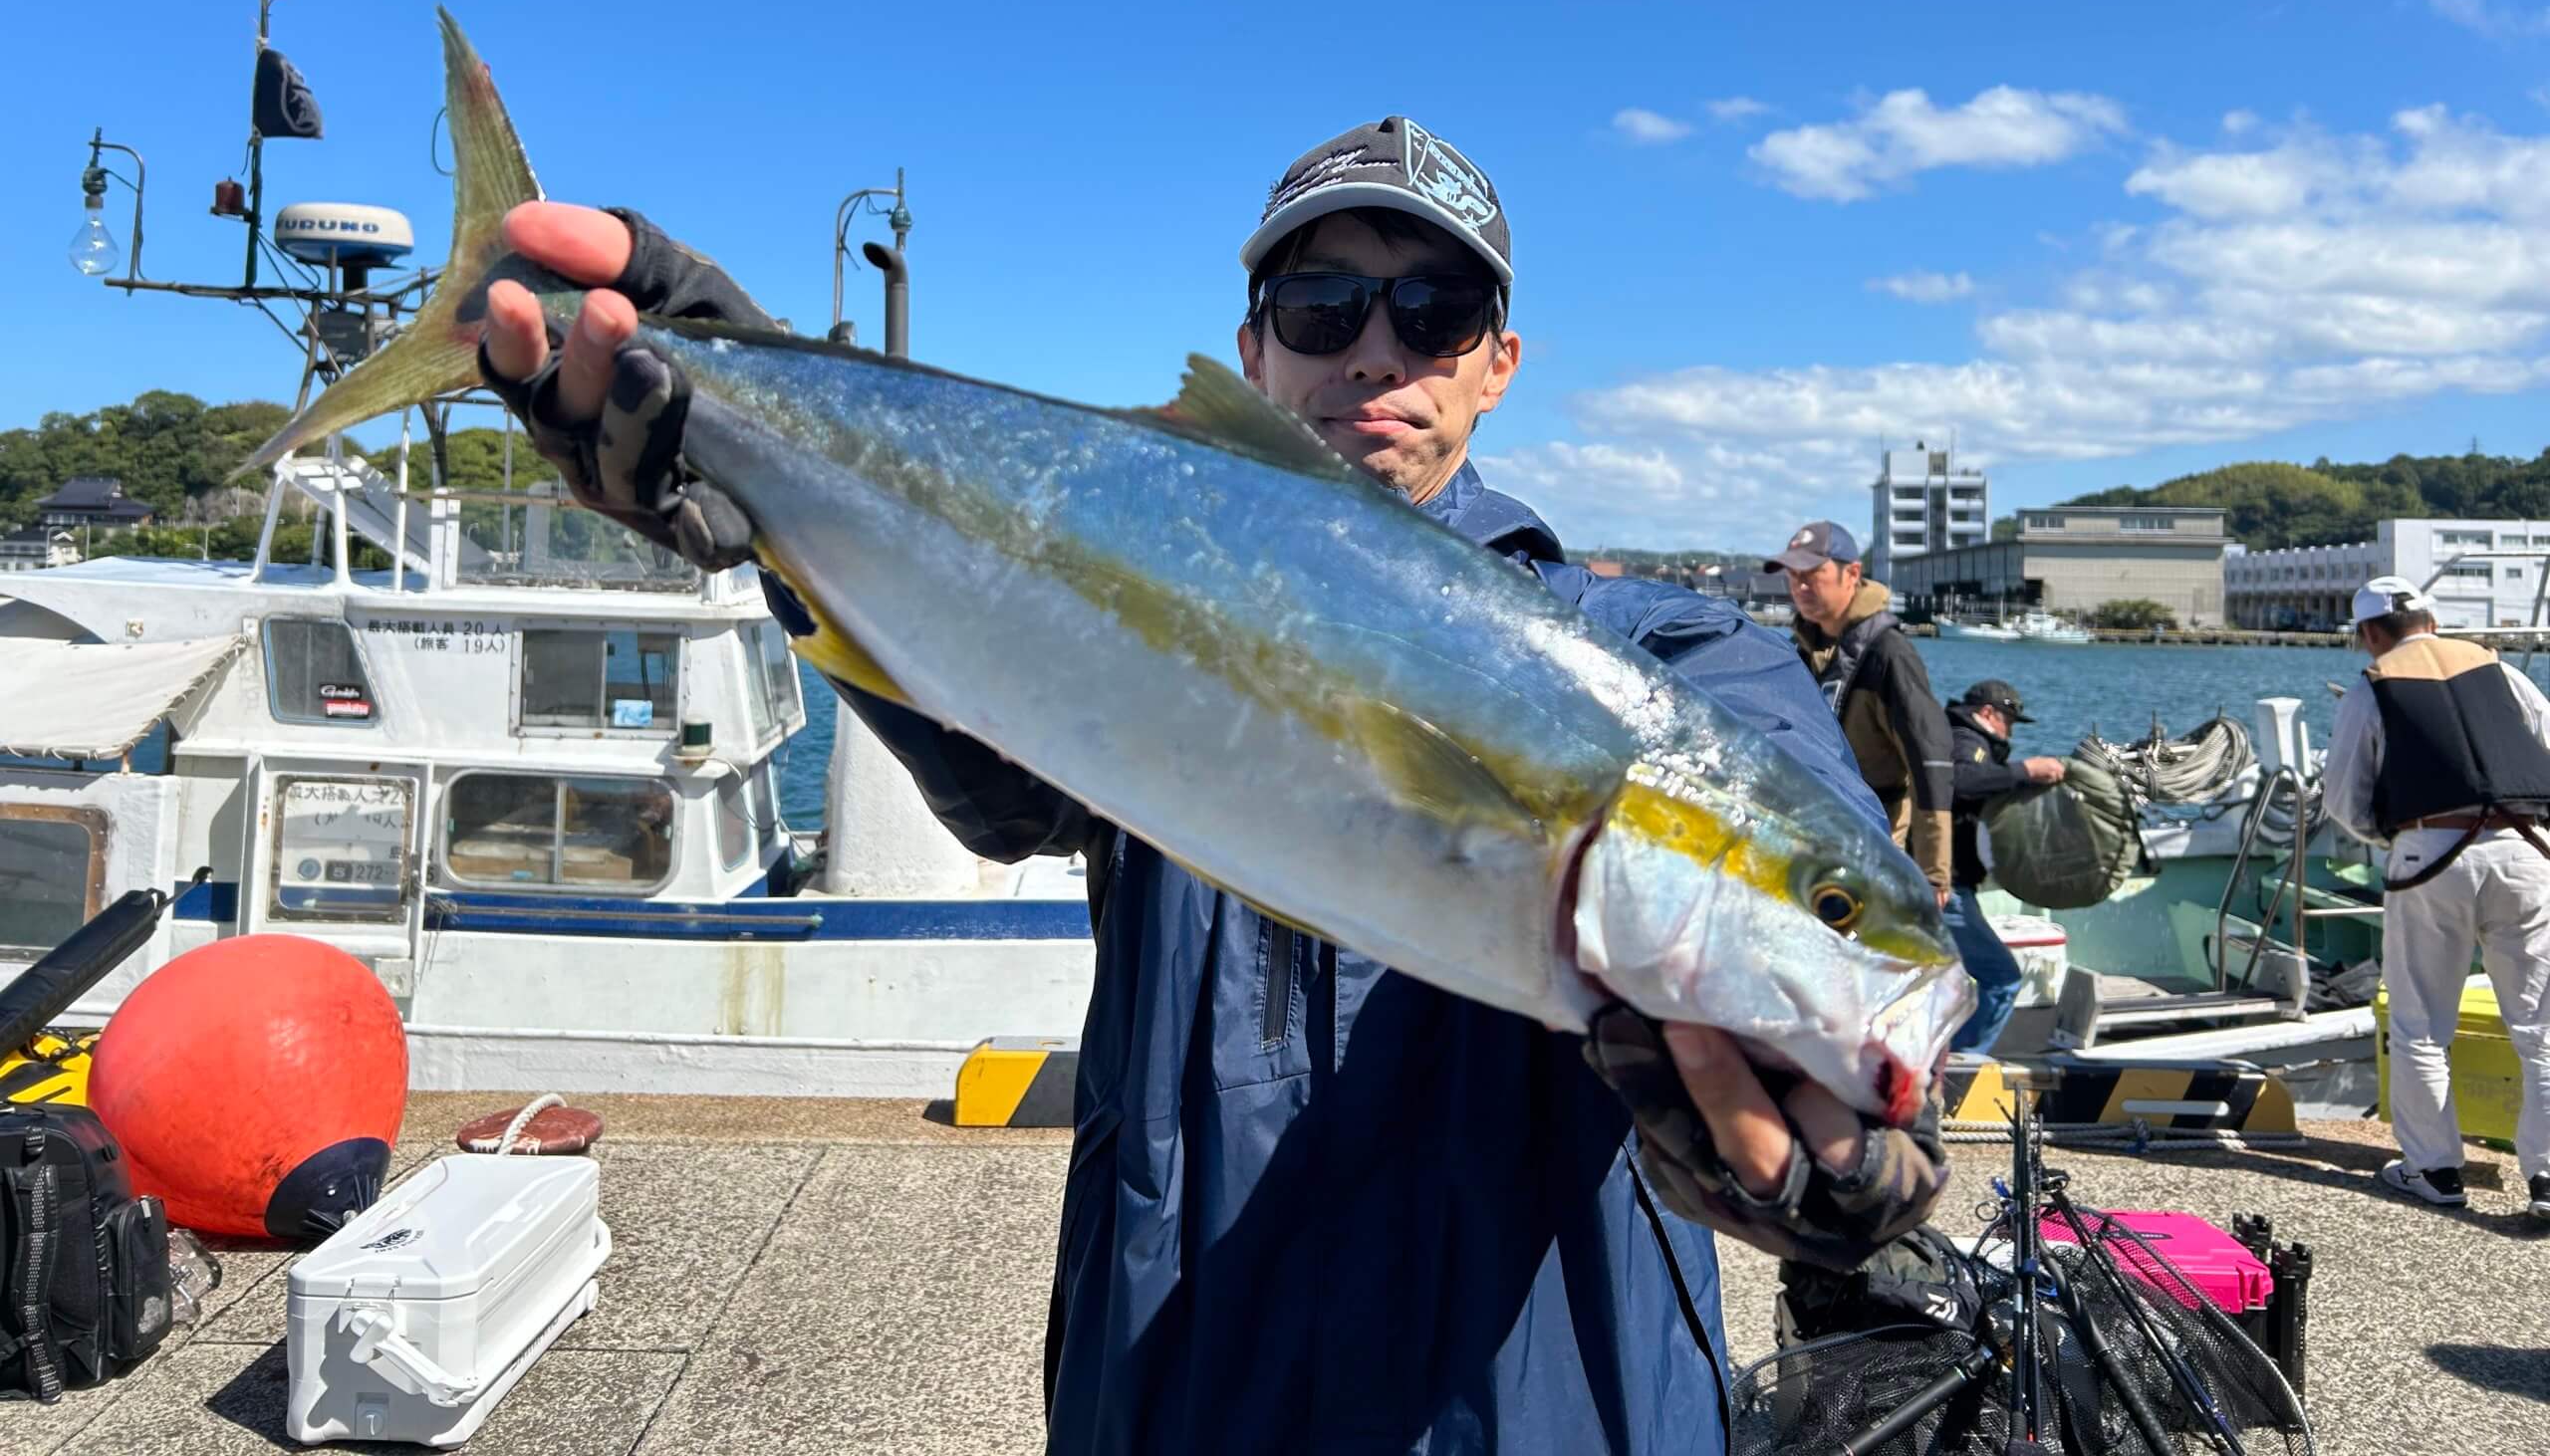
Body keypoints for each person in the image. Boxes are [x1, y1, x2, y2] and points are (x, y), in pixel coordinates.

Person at [475, 118, 1952, 1454]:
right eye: (1323, 308)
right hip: (1177, 1384)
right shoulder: (1131, 574)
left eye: (1434, 313)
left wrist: (1835, 1172)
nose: (1373, 353)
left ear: (1499, 362)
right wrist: (770, 444)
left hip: (1554, 1406)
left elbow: (1878, 962)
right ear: (1254, 353)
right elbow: (999, 785)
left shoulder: (1676, 664)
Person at [2320, 577, 2550, 1220]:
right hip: (2527, 848)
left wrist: (2395, 836)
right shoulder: (2499, 669)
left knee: (2422, 1024)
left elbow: (2344, 795)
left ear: (2369, 634)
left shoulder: (2373, 685)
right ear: (2433, 619)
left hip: (2432, 853)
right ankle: (2548, 1178)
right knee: (2541, 1027)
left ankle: (2435, 1169)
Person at [1769, 523, 1956, 906]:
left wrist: (1933, 873)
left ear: (1852, 573)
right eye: (1793, 576)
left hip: (1879, 830)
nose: (1800, 587)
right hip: (1818, 828)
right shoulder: (1804, 649)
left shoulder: (1890, 653)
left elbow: (1929, 757)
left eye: (1812, 575)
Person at [1941, 680, 2066, 1054]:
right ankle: (1964, 1063)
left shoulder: (1962, 737)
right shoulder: (1966, 740)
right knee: (2002, 976)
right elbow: (1963, 781)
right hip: (1945, 885)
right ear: (1988, 714)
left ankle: (1940, 1057)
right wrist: (2025, 770)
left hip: (1947, 881)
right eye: (2007, 721)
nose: (2009, 731)